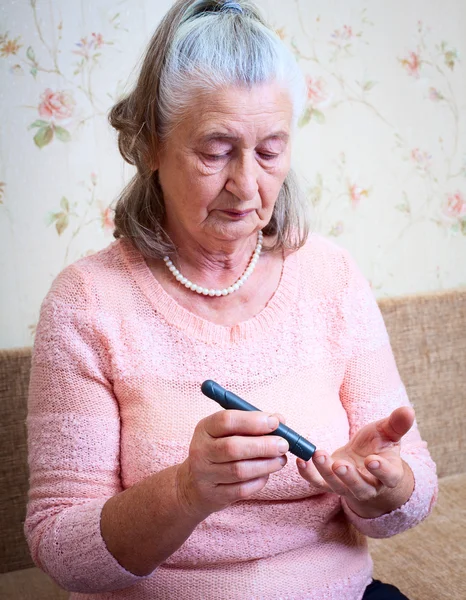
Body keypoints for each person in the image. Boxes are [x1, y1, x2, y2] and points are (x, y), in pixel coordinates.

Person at [25, 1, 438, 599]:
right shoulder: (86, 303)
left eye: (270, 150)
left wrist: (385, 486)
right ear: (149, 146)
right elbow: (60, 548)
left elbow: (415, 488)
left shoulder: (331, 276)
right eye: (216, 151)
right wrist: (186, 491)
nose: (247, 185)